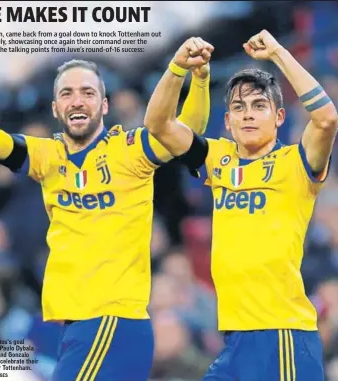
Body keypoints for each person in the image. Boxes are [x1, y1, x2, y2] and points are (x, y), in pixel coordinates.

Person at [0, 58, 211, 380]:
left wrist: (199, 78)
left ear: (104, 104)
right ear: (55, 108)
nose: (77, 100)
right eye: (67, 93)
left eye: (87, 92)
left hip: (111, 320)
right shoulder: (47, 155)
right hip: (78, 325)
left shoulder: (131, 149)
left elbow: (187, 132)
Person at [144, 30, 338, 381]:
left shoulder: (296, 163)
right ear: (228, 121)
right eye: (239, 107)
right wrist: (180, 69)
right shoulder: (218, 159)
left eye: (259, 105)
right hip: (234, 340)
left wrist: (278, 53)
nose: (248, 114)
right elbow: (158, 125)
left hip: (283, 338)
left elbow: (326, 118)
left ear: (279, 117)